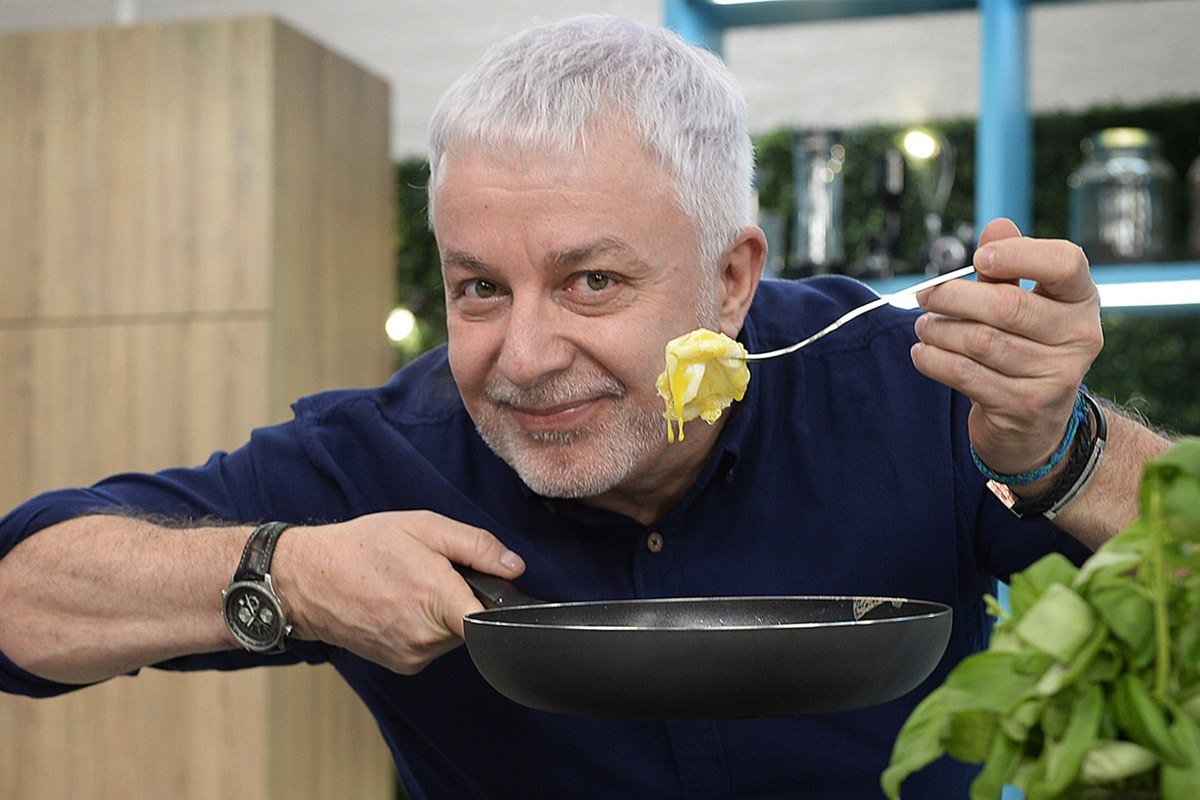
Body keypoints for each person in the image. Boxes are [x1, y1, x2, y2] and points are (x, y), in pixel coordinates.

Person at [0, 13, 1171, 799]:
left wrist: (1064, 452)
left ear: (730, 275)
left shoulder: (902, 375)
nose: (522, 355)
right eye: (477, 288)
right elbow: (22, 598)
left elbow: (1182, 558)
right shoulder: (381, 457)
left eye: (590, 280)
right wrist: (284, 572)